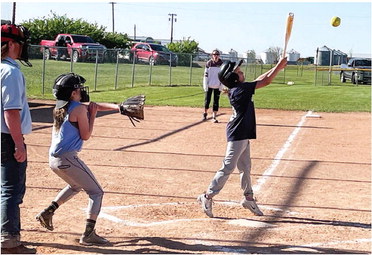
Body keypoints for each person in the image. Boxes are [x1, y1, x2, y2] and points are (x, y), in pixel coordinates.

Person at [35, 73, 121, 246]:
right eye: (78, 88)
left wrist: (119, 108)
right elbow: (86, 134)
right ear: (73, 93)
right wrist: (93, 115)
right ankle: (89, 234)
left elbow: (90, 106)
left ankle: (48, 211)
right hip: (67, 158)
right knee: (96, 192)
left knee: (76, 186)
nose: (81, 90)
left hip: (54, 160)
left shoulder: (60, 107)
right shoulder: (79, 109)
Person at [197, 57, 287, 218]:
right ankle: (207, 196)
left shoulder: (240, 87)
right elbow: (265, 82)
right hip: (237, 134)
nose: (241, 72)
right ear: (233, 78)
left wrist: (277, 67)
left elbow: (260, 80)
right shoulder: (240, 90)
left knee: (245, 168)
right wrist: (279, 67)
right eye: (238, 72)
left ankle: (248, 198)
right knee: (228, 167)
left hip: (243, 133)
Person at [1, 24, 36, 254]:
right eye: (19, 42)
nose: (22, 47)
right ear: (10, 44)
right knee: (11, 189)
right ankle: (9, 239)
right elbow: (11, 112)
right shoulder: (10, 72)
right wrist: (19, 144)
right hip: (6, 136)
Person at [202, 49, 224, 123]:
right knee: (207, 100)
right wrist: (206, 85)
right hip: (209, 86)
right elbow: (205, 75)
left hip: (217, 86)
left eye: (217, 55)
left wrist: (221, 86)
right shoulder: (209, 63)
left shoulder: (222, 64)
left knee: (216, 101)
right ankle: (205, 113)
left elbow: (223, 76)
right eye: (214, 55)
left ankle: (214, 116)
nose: (216, 56)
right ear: (212, 55)